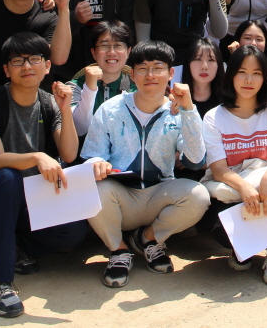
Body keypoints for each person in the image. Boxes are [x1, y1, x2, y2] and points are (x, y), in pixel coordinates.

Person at [0, 33, 87, 319]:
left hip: (31, 199)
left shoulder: (49, 103)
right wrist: (37, 157)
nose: (27, 66)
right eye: (17, 61)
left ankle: (11, 244)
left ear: (47, 66)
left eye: (34, 59)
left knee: (74, 230)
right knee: (9, 177)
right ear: (6, 70)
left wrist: (65, 109)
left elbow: (68, 154)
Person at [82, 40, 210, 288]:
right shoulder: (111, 109)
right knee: (95, 189)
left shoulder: (178, 112)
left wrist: (189, 109)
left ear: (171, 74)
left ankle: (148, 239)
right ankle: (118, 250)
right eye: (142, 68)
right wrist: (97, 163)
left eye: (158, 68)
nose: (150, 75)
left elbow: (196, 160)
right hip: (121, 199)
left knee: (198, 195)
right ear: (133, 74)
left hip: (158, 197)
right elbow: (92, 153)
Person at [200, 46, 267, 285]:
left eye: (257, 73)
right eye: (242, 72)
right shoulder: (214, 117)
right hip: (231, 190)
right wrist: (244, 188)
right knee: (218, 229)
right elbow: (218, 168)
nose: (249, 80)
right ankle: (243, 249)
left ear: (266, 77)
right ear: (231, 75)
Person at [70, 20, 134, 138]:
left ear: (128, 51)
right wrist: (89, 89)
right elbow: (79, 129)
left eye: (118, 45)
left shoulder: (136, 86)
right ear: (93, 53)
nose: (111, 52)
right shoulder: (74, 86)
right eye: (104, 46)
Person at [187, 38, 228, 117]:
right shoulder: (177, 101)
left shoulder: (227, 102)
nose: (204, 67)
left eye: (211, 60)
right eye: (198, 59)